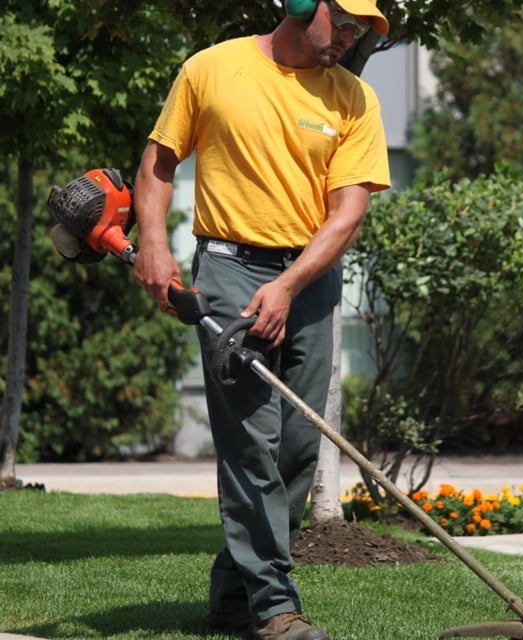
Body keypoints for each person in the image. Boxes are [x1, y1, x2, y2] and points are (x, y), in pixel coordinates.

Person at [132, 1, 390, 638]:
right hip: (228, 272)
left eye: (363, 28)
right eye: (348, 21)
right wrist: (156, 246)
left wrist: (290, 285)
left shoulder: (355, 99)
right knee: (251, 443)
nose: (353, 35)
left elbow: (347, 214)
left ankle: (231, 597)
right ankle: (275, 608)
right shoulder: (211, 69)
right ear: (305, 4)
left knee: (297, 449)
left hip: (308, 281)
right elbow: (158, 165)